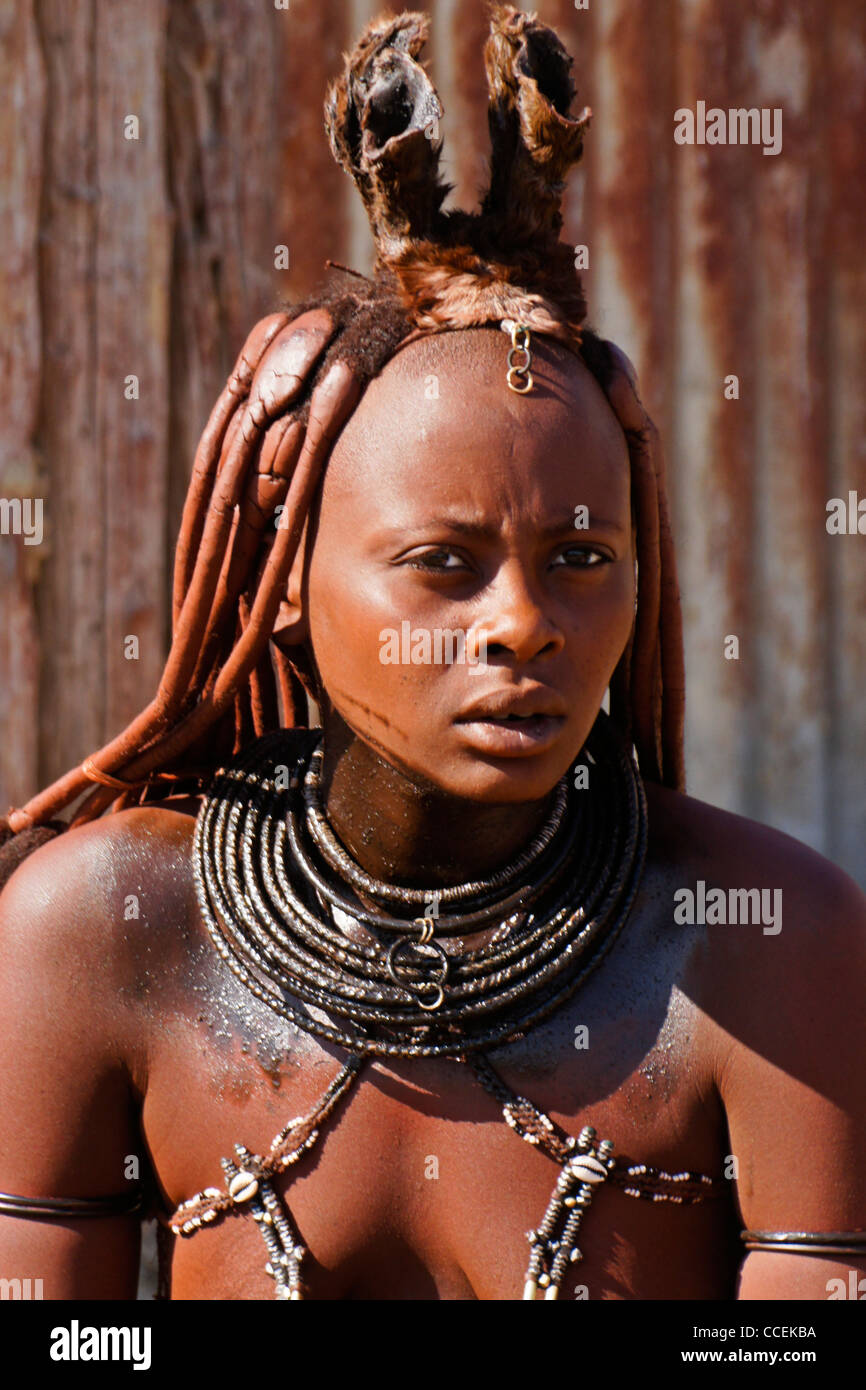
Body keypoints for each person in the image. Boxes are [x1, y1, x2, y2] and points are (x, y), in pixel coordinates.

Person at [0, 6, 864, 1302]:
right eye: (442, 564)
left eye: (580, 559)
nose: (521, 623)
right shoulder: (100, 934)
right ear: (289, 588)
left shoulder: (755, 939)